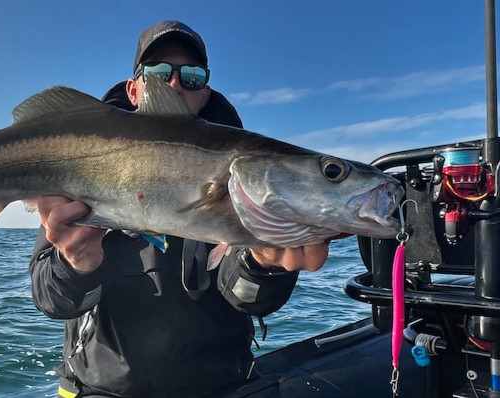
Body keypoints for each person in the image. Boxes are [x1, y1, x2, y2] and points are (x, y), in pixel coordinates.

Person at [29, 20, 329, 398]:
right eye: (157, 73)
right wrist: (75, 262)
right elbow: (52, 302)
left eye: (191, 75)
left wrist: (263, 262)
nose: (174, 84)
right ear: (134, 89)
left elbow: (248, 299)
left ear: (205, 92)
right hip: (100, 390)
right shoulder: (76, 165)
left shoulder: (247, 178)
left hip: (222, 386)